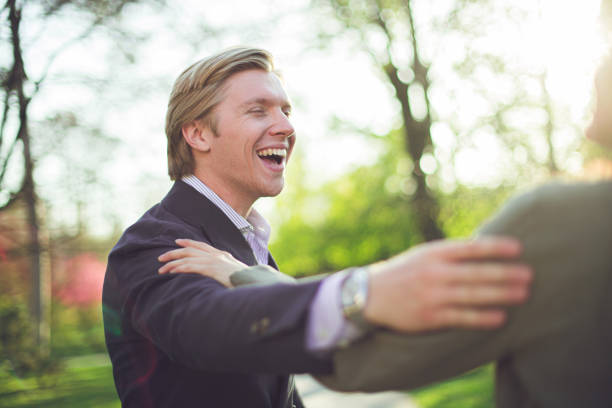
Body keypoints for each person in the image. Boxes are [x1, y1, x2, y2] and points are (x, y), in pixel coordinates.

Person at [159, 52, 612, 407]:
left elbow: (351, 362)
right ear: (197, 134)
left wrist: (362, 290)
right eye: (258, 110)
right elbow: (200, 335)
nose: (287, 126)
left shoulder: (566, 224)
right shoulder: (160, 242)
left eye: (285, 109)